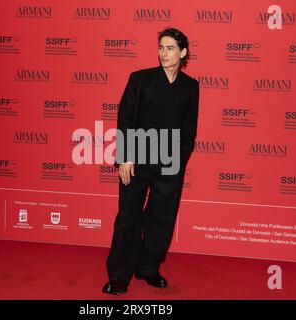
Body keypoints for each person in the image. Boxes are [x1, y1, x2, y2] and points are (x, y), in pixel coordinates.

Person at [102, 27, 200, 295]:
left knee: (161, 218)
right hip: (136, 160)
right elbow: (125, 119)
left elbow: (189, 129)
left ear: (183, 52)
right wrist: (124, 157)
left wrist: (177, 162)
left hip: (169, 164)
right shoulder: (140, 79)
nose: (163, 53)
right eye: (161, 47)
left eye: (170, 48)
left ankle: (148, 267)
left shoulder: (191, 87)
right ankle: (119, 275)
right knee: (128, 217)